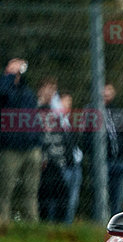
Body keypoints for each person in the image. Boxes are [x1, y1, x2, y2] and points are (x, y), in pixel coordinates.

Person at [0, 58, 43, 224]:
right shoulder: (4, 88)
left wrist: (39, 143)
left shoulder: (27, 92)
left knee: (31, 190)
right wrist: (9, 75)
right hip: (11, 149)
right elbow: (3, 93)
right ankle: (3, 222)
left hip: (31, 148)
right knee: (6, 188)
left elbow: (35, 118)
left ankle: (32, 223)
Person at [37, 77, 68, 222]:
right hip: (44, 161)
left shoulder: (53, 112)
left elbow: (60, 135)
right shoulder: (34, 110)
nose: (51, 93)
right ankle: (42, 224)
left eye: (54, 90)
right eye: (49, 89)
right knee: (42, 195)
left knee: (62, 194)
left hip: (57, 160)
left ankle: (59, 227)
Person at [102, 83, 123, 216]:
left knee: (117, 196)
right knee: (102, 195)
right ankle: (101, 220)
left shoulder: (118, 112)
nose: (106, 93)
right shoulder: (93, 111)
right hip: (103, 162)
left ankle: (115, 220)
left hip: (119, 160)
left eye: (109, 90)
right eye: (104, 90)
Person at [59, 92, 84, 223]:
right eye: (65, 102)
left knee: (73, 199)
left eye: (69, 102)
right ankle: (58, 223)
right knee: (62, 197)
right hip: (63, 165)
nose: (68, 105)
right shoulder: (56, 121)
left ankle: (68, 223)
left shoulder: (72, 121)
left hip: (75, 164)